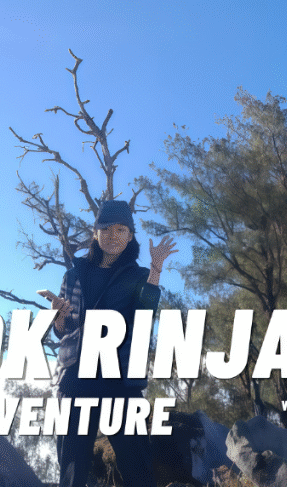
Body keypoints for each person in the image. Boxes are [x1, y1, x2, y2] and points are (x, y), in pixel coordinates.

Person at [47, 200, 177, 487]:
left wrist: (155, 269)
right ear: (95, 233)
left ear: (130, 236)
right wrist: (59, 318)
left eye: (121, 229)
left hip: (120, 378)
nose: (112, 235)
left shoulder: (138, 275)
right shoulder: (74, 274)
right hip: (76, 378)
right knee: (72, 467)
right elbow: (63, 330)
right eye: (105, 229)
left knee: (137, 466)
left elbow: (144, 316)